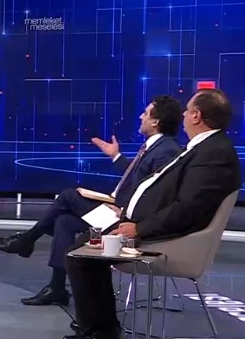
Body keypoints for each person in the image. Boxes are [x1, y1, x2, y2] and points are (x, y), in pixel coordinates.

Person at [65, 89, 241, 339]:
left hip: (170, 236)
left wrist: (139, 228)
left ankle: (98, 330)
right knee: (80, 242)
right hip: (148, 223)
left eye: (187, 110)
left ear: (196, 116)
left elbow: (187, 208)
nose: (183, 115)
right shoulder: (204, 148)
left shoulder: (213, 153)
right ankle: (100, 327)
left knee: (80, 254)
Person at [0, 95, 183, 306]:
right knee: (64, 221)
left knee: (68, 196)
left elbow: (156, 194)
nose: (140, 117)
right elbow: (140, 178)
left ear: (156, 122)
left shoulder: (166, 151)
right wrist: (116, 157)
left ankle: (26, 241)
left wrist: (124, 210)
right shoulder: (157, 146)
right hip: (118, 209)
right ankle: (56, 287)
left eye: (145, 113)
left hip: (127, 221)